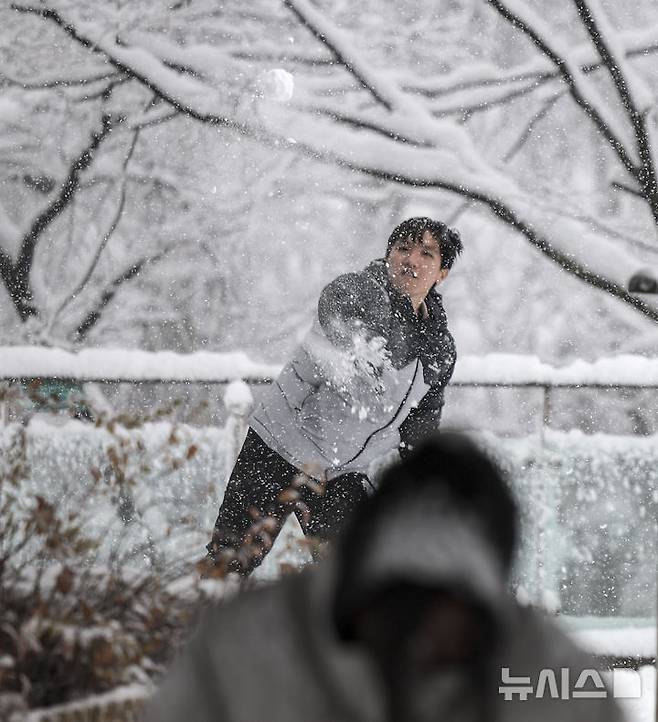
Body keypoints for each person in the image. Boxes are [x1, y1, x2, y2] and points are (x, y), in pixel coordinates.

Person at [151, 435, 623, 722]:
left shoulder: (244, 648)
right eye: (399, 607)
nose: (416, 642)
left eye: (442, 613)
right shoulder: (554, 674)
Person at [205, 216, 463, 576]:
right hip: (277, 447)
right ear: (388, 255)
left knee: (355, 577)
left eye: (426, 254)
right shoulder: (365, 292)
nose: (411, 260)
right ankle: (193, 627)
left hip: (340, 472)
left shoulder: (438, 349)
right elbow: (336, 301)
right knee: (230, 562)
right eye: (402, 249)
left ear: (442, 273)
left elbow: (421, 423)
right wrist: (357, 347)